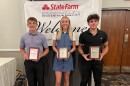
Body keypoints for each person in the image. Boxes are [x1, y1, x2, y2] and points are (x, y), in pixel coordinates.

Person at [78, 13, 109, 86]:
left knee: (98, 81)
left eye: (95, 21)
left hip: (98, 62)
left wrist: (102, 55)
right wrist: (83, 55)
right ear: (88, 23)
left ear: (98, 22)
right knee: (84, 81)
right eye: (91, 21)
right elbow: (79, 47)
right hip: (86, 61)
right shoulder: (83, 34)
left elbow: (106, 46)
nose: (93, 23)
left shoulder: (103, 34)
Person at [20, 17, 49, 86]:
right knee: (31, 82)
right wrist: (24, 55)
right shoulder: (24, 37)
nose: (32, 25)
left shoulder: (42, 37)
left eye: (33, 23)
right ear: (27, 25)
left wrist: (40, 56)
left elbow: (47, 49)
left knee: (41, 82)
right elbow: (21, 48)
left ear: (36, 25)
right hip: (28, 63)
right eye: (30, 23)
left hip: (39, 62)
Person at [52, 16, 76, 86]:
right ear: (60, 23)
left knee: (66, 80)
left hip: (68, 59)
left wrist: (69, 52)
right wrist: (57, 52)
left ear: (69, 23)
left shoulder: (72, 34)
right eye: (63, 22)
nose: (64, 23)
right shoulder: (56, 33)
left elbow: (74, 47)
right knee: (58, 81)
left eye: (66, 21)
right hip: (58, 59)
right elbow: (53, 46)